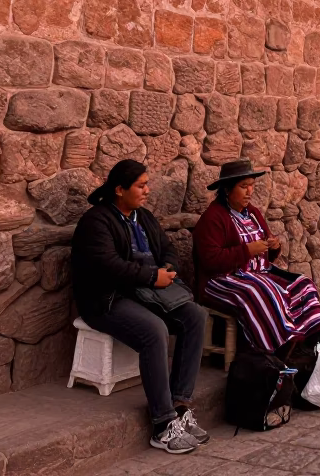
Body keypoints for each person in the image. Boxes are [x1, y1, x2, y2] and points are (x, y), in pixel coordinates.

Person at [72, 160, 208, 455]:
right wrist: (151, 276)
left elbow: (168, 249)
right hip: (106, 299)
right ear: (119, 190)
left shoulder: (143, 217)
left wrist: (167, 268)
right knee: (153, 330)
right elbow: (107, 266)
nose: (147, 190)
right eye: (141, 185)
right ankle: (162, 425)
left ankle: (180, 405)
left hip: (148, 294)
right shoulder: (97, 221)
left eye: (147, 184)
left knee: (195, 316)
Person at [192, 159, 320, 354]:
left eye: (252, 186)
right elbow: (210, 260)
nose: (250, 191)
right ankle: (278, 348)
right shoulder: (213, 218)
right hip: (220, 280)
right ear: (227, 190)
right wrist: (247, 250)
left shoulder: (253, 213)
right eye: (243, 187)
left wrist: (273, 245)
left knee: (303, 284)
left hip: (256, 273)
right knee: (262, 292)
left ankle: (309, 339)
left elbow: (267, 253)